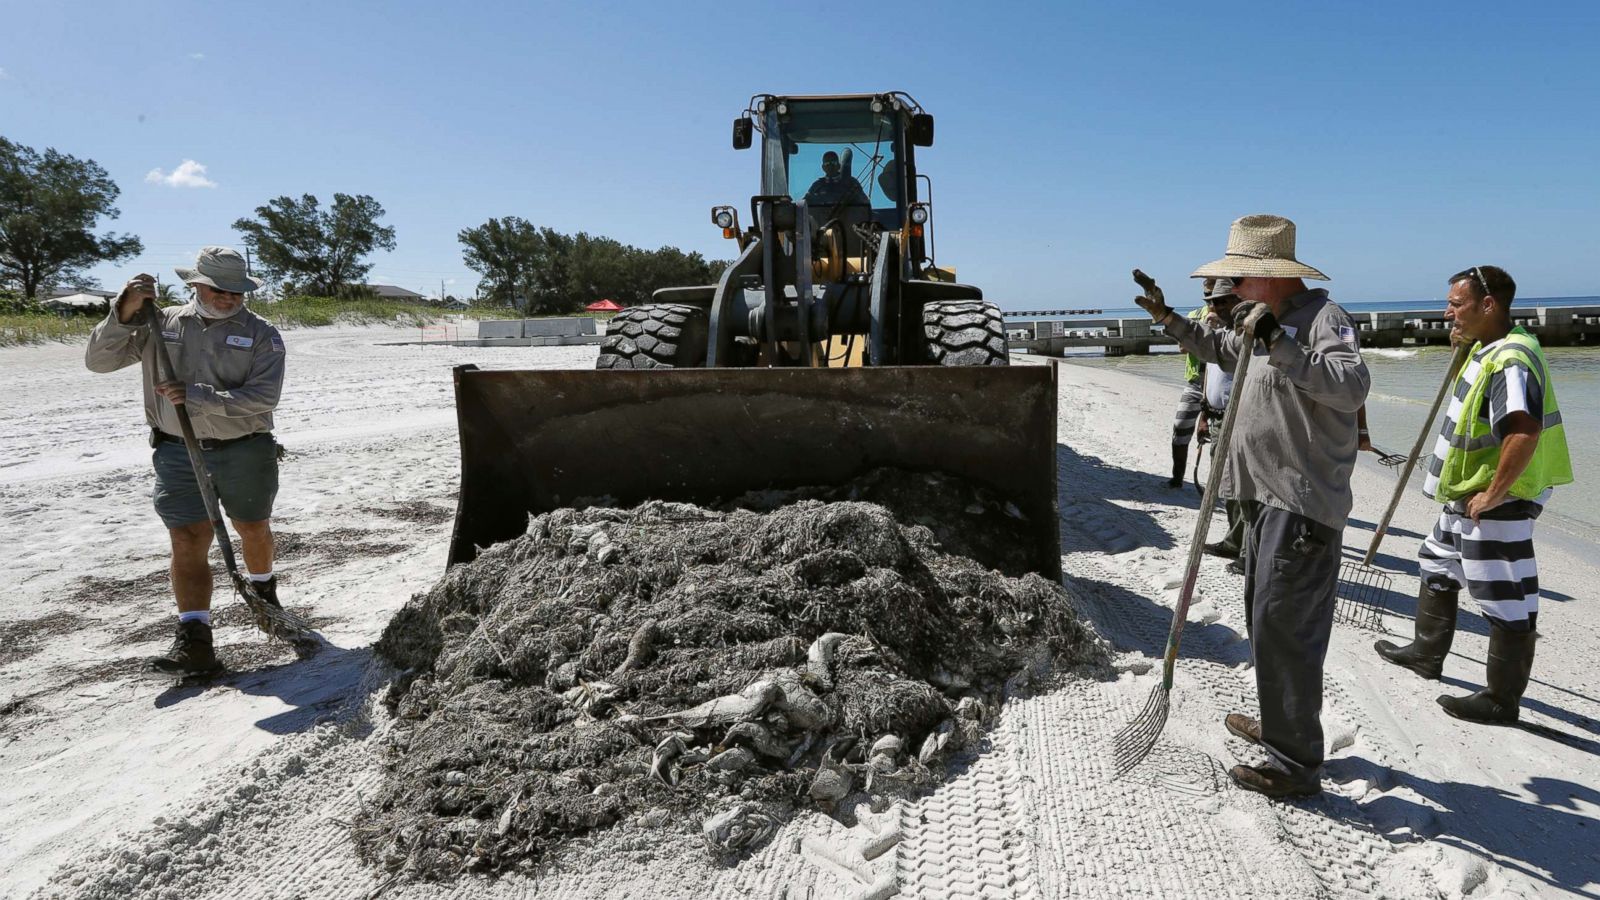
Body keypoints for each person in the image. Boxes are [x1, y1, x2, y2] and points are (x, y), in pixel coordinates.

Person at [1135, 214, 1370, 798]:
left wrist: (1280, 343)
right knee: (1266, 620)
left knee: (1286, 626)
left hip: (1301, 501)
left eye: (1239, 278)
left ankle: (1294, 763)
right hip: (1260, 499)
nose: (1231, 288)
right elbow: (1219, 348)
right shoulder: (1265, 322)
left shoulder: (1321, 320)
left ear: (1271, 277)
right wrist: (1167, 318)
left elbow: (1350, 386)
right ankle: (1280, 724)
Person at [1374, 265, 1572, 724]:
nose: (1447, 313)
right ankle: (1426, 653)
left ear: (1488, 305)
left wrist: (1494, 493)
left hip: (1494, 501)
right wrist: (1463, 352)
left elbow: (1523, 430)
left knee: (1505, 598)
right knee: (1435, 562)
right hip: (1463, 495)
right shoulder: (1489, 349)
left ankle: (1501, 701)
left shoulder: (1511, 361)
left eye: (1456, 304)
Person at [85, 246, 287, 676]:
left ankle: (264, 592)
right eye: (219, 289)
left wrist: (199, 396)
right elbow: (99, 362)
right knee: (187, 539)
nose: (229, 298)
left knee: (252, 527)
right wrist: (123, 311)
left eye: (237, 291)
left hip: (244, 447)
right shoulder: (160, 324)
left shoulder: (262, 334)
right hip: (177, 449)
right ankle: (195, 640)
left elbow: (264, 397)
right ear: (196, 285)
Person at [803, 150, 870, 211]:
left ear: (839, 165)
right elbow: (804, 205)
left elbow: (865, 204)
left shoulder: (851, 183)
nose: (830, 166)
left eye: (833, 163)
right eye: (827, 164)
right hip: (821, 223)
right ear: (823, 167)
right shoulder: (817, 186)